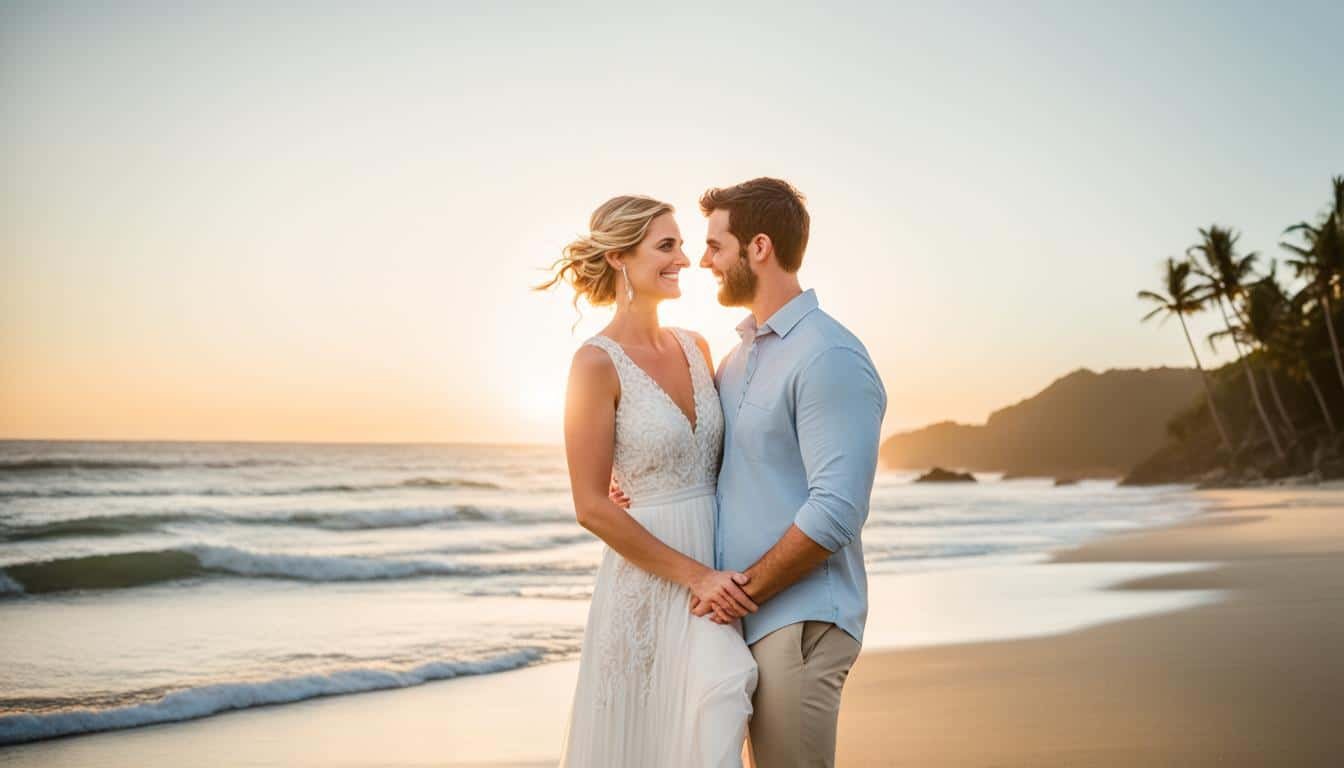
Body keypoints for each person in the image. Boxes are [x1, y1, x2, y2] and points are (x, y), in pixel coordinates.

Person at [618, 178, 887, 767]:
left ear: (758, 248)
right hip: (743, 623)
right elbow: (714, 467)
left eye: (717, 245)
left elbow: (837, 508)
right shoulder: (738, 359)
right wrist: (636, 484)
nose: (703, 260)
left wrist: (743, 593)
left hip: (799, 619)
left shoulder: (828, 355)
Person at [539, 194, 758, 767]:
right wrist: (698, 579)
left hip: (716, 562)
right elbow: (590, 506)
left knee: (715, 711)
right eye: (666, 246)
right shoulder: (594, 363)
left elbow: (718, 460)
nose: (684, 258)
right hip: (656, 581)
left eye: (682, 244)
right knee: (652, 741)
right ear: (618, 257)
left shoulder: (697, 346)